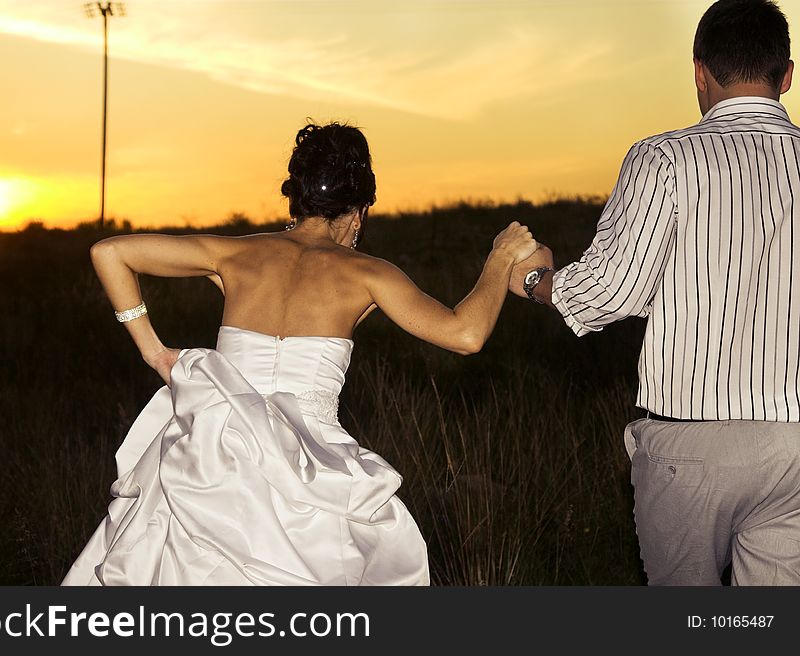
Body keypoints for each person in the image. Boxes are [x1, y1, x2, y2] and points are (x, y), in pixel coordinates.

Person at [62, 122, 537, 586]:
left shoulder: (234, 254)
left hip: (212, 454)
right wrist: (498, 259)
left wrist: (157, 354)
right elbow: (466, 334)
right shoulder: (369, 273)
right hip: (308, 471)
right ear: (358, 210)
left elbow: (110, 252)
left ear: (298, 198)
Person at [511, 0, 800, 585]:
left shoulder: (665, 158)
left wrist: (537, 280)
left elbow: (610, 290)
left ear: (699, 71)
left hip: (691, 438)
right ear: (787, 75)